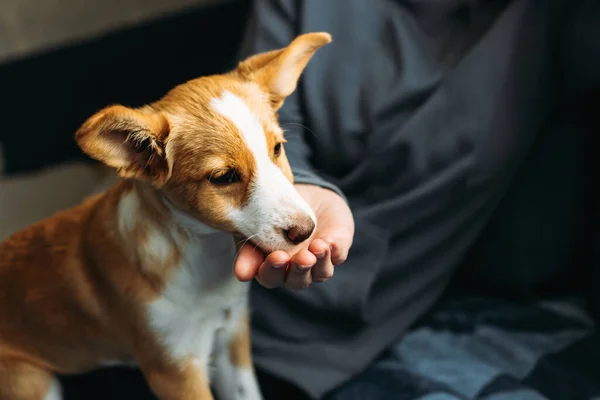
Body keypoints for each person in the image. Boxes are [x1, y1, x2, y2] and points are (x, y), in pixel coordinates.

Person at [232, 0, 600, 399]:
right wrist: (297, 184)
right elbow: (258, 112)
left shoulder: (550, 16)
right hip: (241, 292)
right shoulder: (301, 8)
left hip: (394, 311)